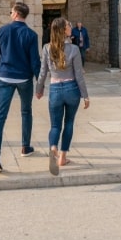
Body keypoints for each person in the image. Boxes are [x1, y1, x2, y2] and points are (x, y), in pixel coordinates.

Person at [0, 2, 41, 173]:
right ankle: (25, 147)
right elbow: (35, 61)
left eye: (11, 11)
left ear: (16, 13)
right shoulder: (31, 35)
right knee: (26, 112)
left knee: (0, 116)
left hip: (4, 77)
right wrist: (39, 83)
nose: (10, 13)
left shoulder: (2, 31)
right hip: (24, 79)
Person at [36, 17, 90, 174]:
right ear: (63, 30)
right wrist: (85, 96)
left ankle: (53, 148)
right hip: (72, 89)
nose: (70, 27)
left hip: (55, 89)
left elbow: (42, 73)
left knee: (55, 125)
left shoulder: (46, 48)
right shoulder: (73, 49)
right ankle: (62, 157)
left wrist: (39, 90)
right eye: (68, 26)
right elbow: (79, 75)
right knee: (69, 123)